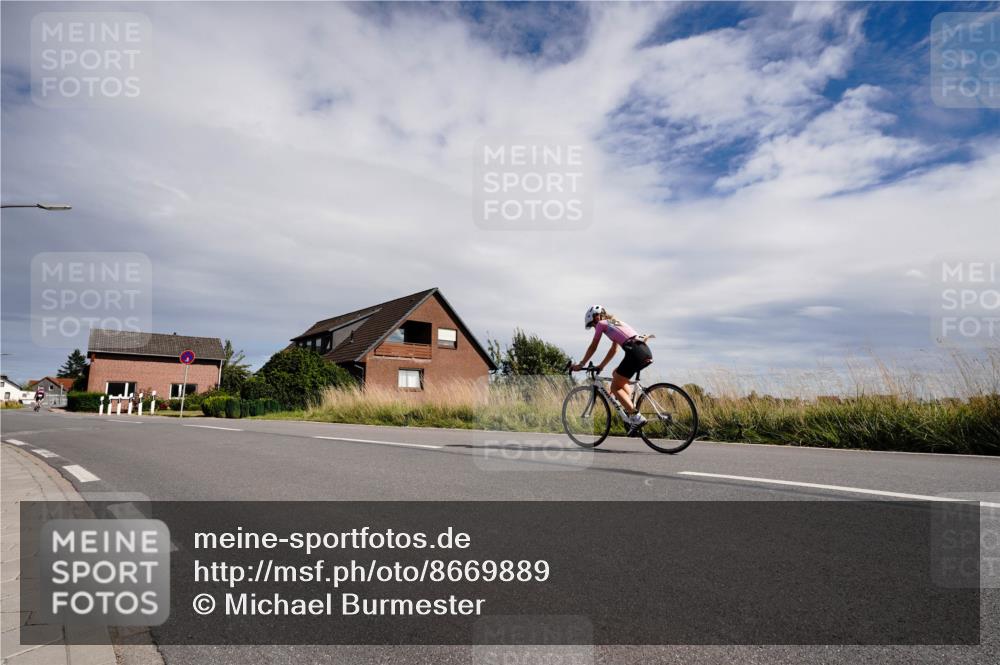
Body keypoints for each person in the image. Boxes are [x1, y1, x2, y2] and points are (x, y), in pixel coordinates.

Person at [572, 305, 653, 433]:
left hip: (634, 352)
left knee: (615, 387)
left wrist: (581, 364)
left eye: (592, 324)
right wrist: (601, 366)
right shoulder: (614, 323)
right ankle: (629, 407)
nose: (594, 328)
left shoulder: (601, 324)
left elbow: (593, 347)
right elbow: (613, 350)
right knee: (616, 373)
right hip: (644, 351)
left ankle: (636, 417)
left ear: (596, 317)